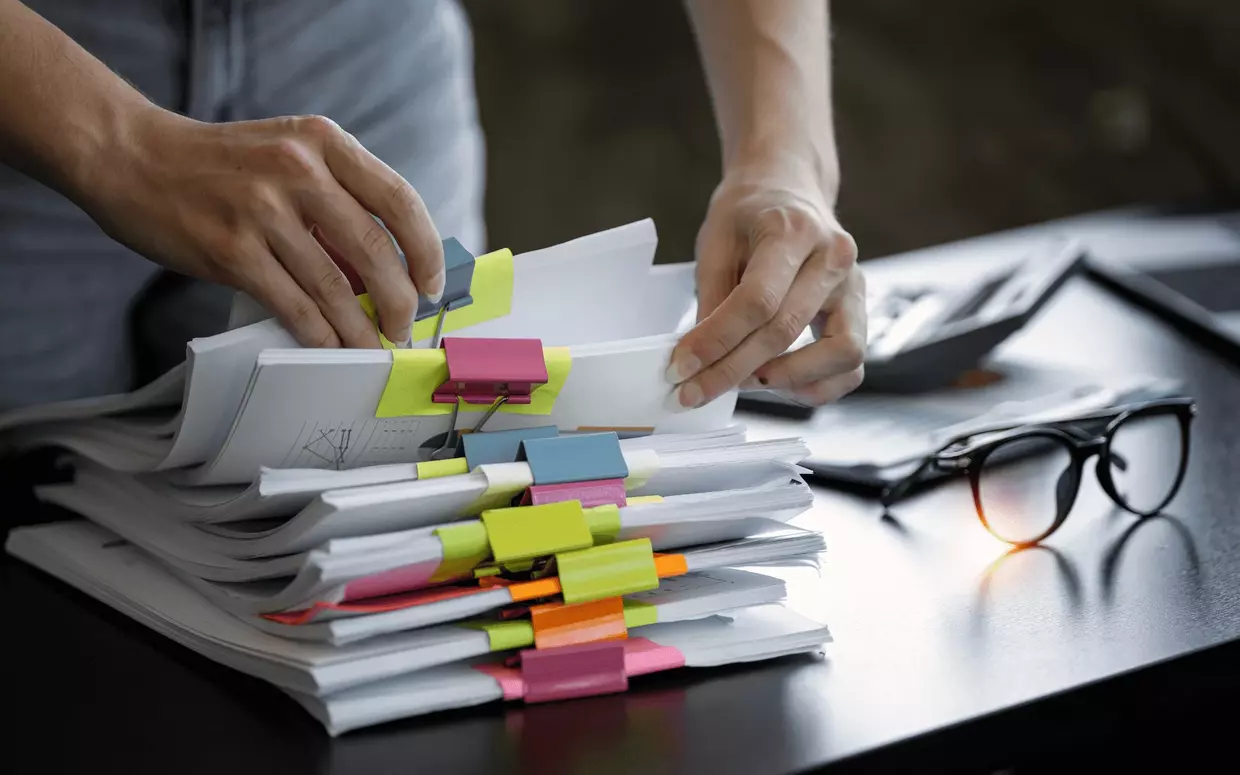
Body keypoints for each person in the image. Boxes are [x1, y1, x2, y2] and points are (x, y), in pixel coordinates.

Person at [0, 0, 864, 414]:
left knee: (394, 494)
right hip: (34, 77)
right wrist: (115, 142)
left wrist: (782, 161)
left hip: (363, 47)